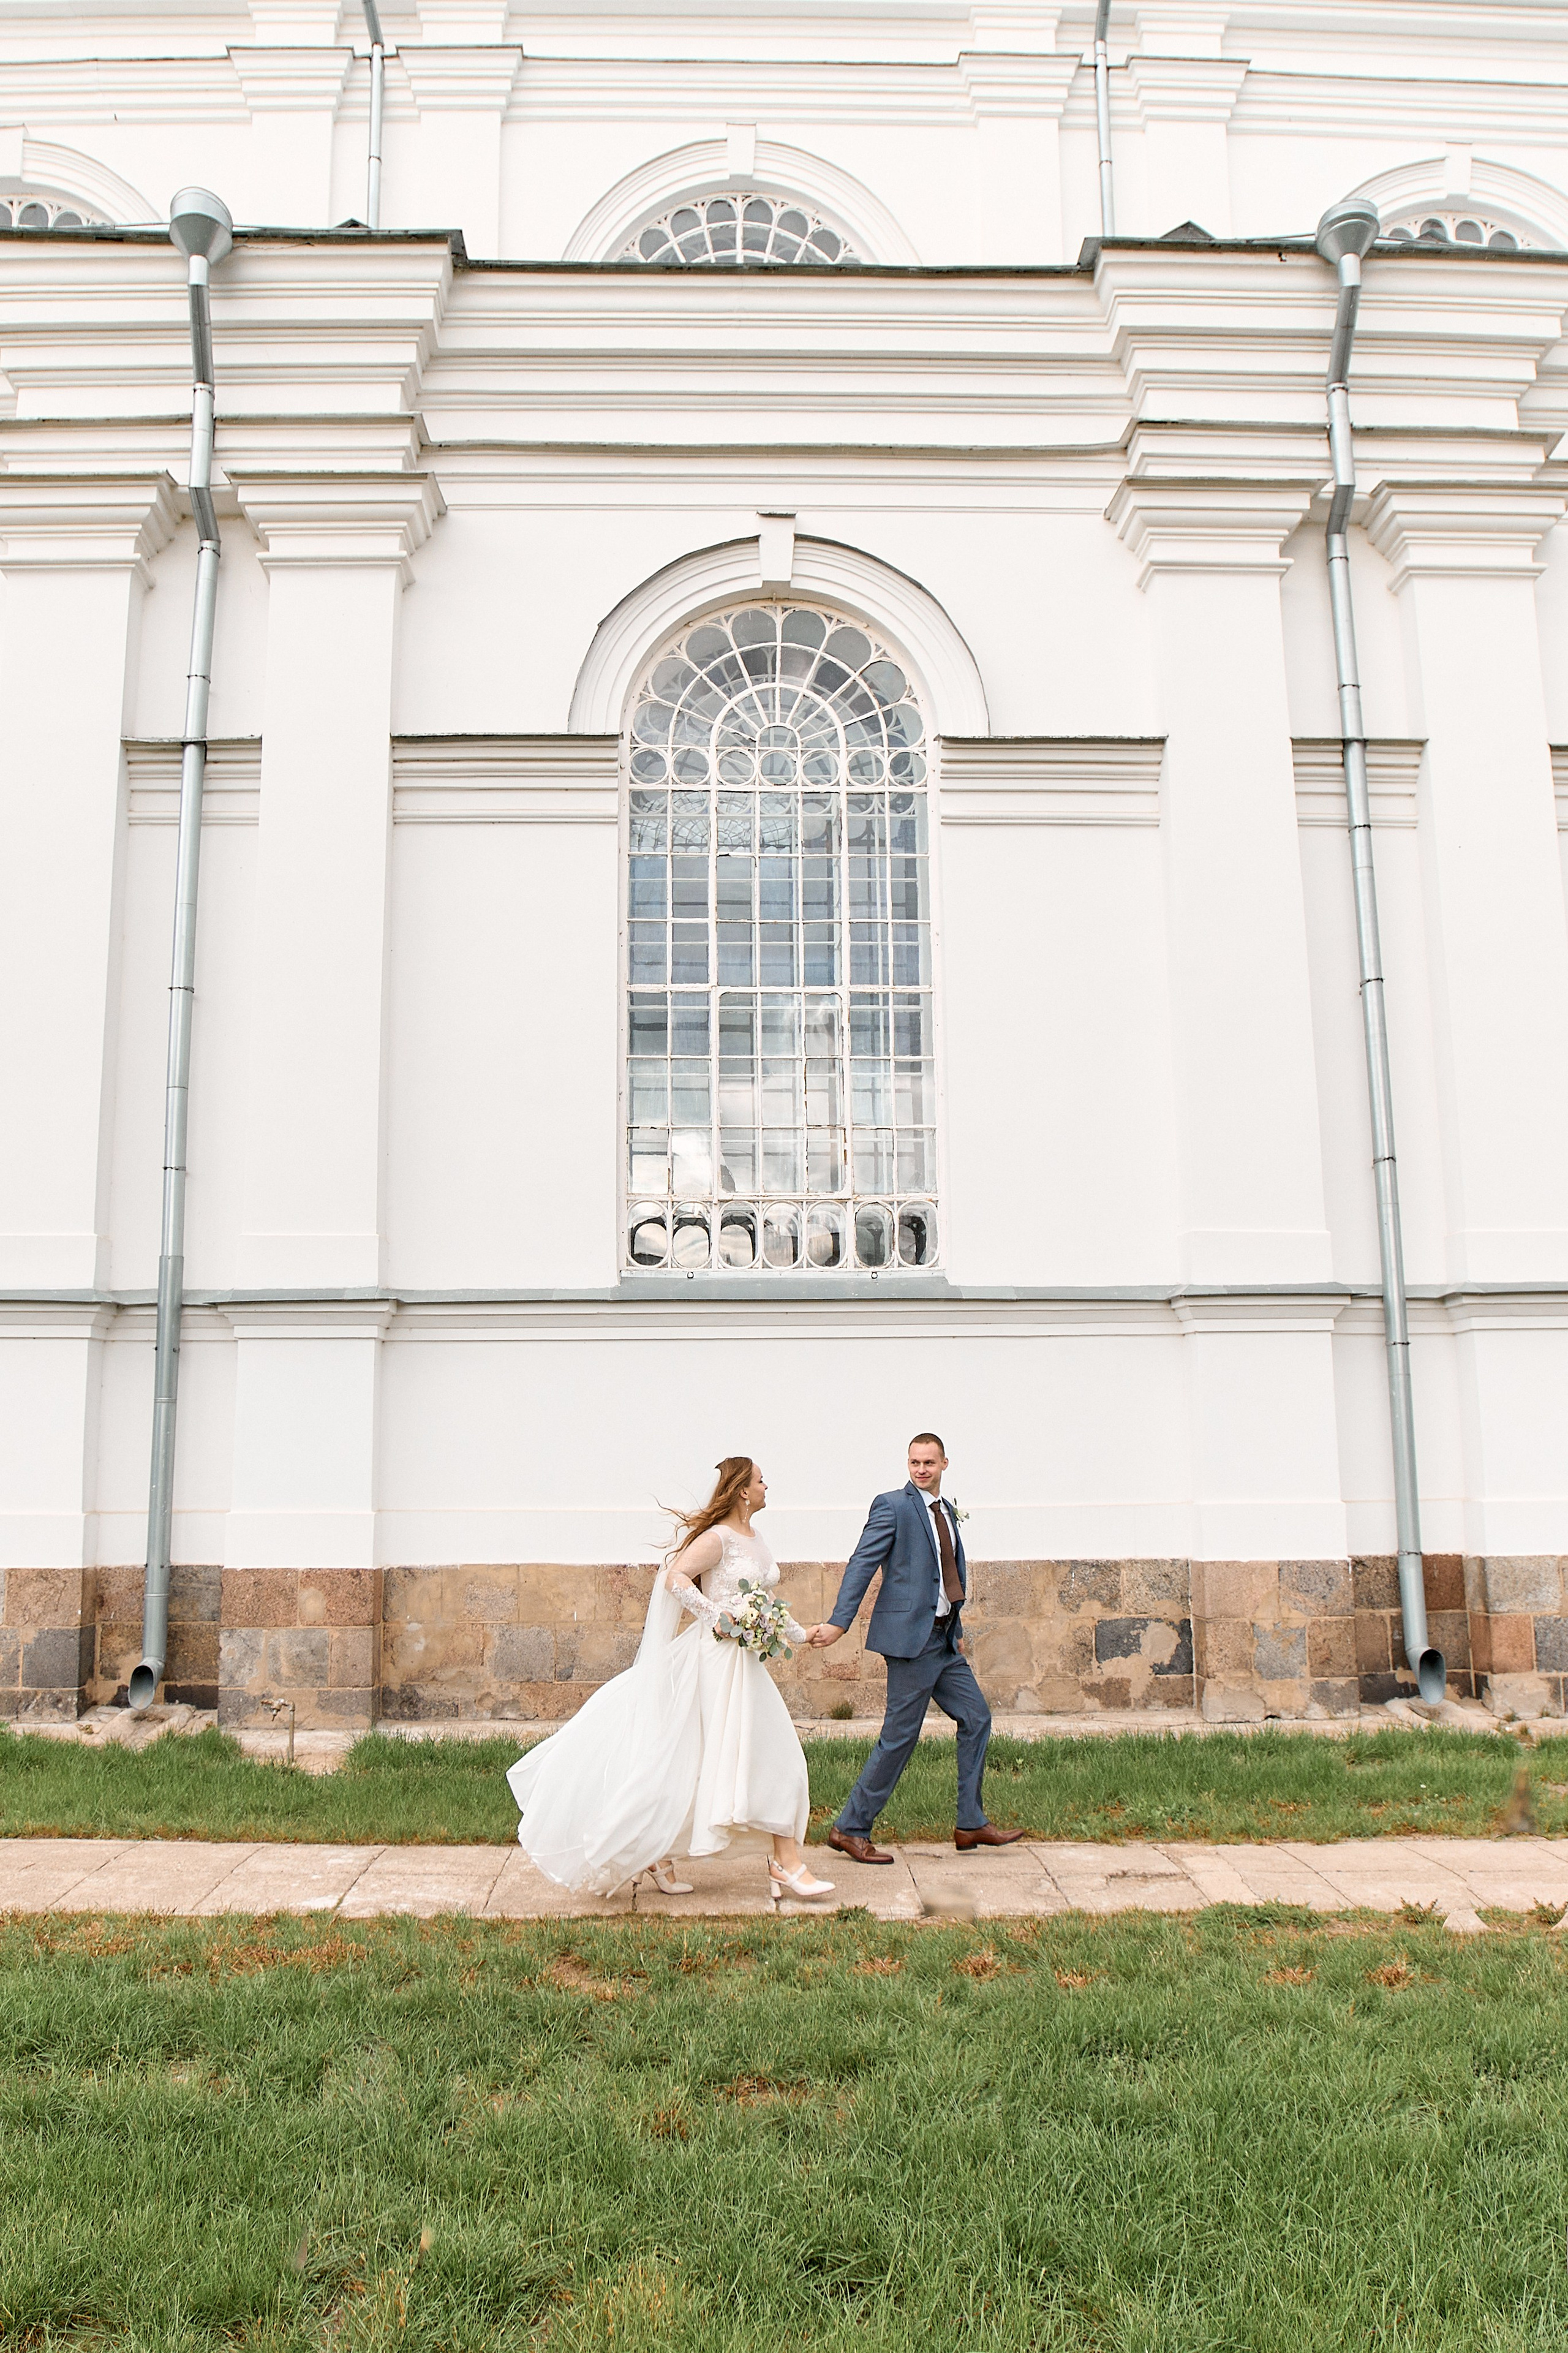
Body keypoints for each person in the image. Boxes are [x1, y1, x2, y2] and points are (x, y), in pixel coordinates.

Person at [507, 1456, 835, 1906]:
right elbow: (675, 1578)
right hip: (717, 1660)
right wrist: (716, 1615)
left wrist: (802, 1633)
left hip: (746, 1664)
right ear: (743, 1490)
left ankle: (682, 1853)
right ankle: (783, 1863)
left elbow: (764, 1600)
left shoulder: (756, 1539)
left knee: (724, 1759)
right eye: (761, 1480)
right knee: (747, 1755)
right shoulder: (718, 1538)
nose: (766, 1486)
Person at [810, 1432, 1025, 1864]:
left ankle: (969, 1822)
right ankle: (850, 1828)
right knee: (900, 1737)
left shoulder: (946, 1510)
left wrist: (957, 1625)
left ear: (945, 1463)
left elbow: (947, 1573)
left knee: (977, 1717)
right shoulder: (892, 1506)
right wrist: (839, 1621)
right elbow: (863, 1562)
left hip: (944, 1640)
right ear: (908, 1465)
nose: (921, 1469)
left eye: (929, 1462)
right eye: (914, 1462)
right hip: (912, 1642)